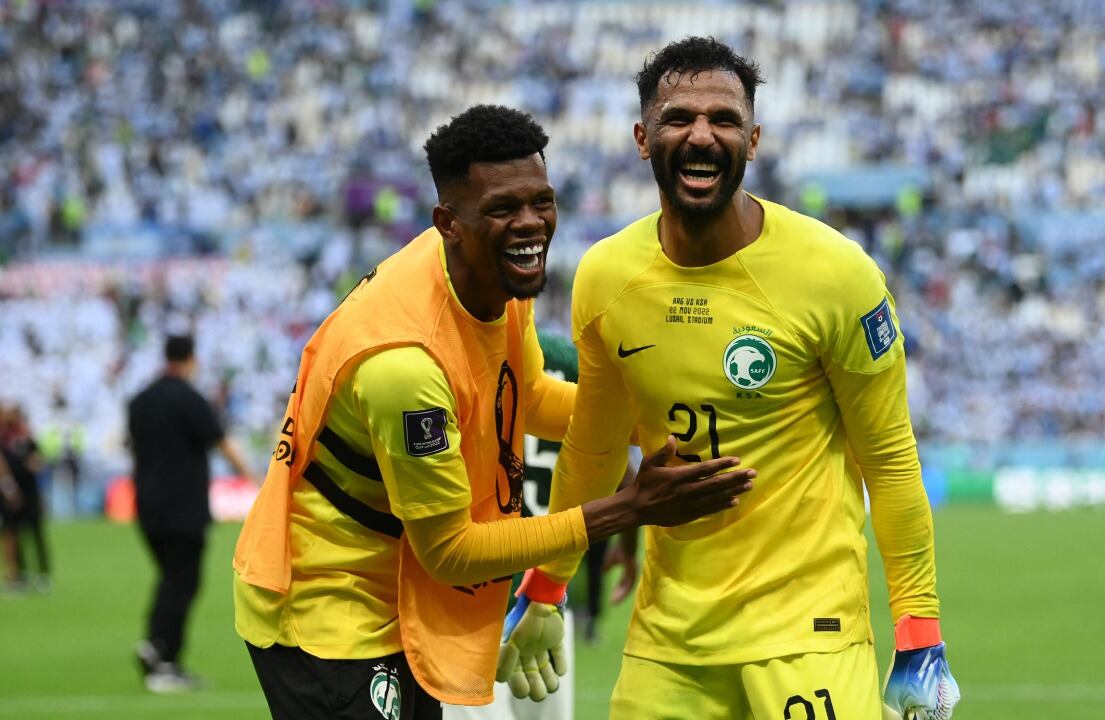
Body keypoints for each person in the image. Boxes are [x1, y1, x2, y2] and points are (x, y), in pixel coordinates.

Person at [231, 105, 754, 720]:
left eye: (542, 200)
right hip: (327, 602)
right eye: (504, 210)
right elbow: (450, 551)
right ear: (448, 223)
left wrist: (657, 424)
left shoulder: (496, 275)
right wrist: (628, 508)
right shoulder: (406, 366)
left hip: (400, 589)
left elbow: (528, 396)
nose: (531, 225)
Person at [506, 38, 960, 719]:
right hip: (670, 642)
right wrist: (546, 585)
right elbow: (595, 450)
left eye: (722, 119)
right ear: (641, 137)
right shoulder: (606, 277)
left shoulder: (837, 275)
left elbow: (890, 462)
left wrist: (920, 634)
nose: (701, 135)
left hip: (811, 636)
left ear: (753, 139)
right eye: (678, 118)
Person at [443, 329, 639, 720]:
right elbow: (626, 476)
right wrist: (629, 551)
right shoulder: (575, 365)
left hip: (474, 596)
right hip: (547, 593)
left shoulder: (465, 356)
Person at [127, 334, 254, 693]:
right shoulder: (189, 398)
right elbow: (221, 440)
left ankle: (155, 645)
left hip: (147, 505)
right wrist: (254, 479)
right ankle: (163, 655)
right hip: (182, 505)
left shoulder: (140, 400)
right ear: (190, 358)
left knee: (170, 576)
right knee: (184, 580)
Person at [0, 405, 51, 592]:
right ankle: (17, 574)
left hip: (29, 493)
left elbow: (39, 460)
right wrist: (9, 489)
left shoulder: (26, 438)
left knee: (36, 532)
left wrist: (34, 462)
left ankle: (42, 572)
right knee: (12, 534)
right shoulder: (4, 439)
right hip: (10, 495)